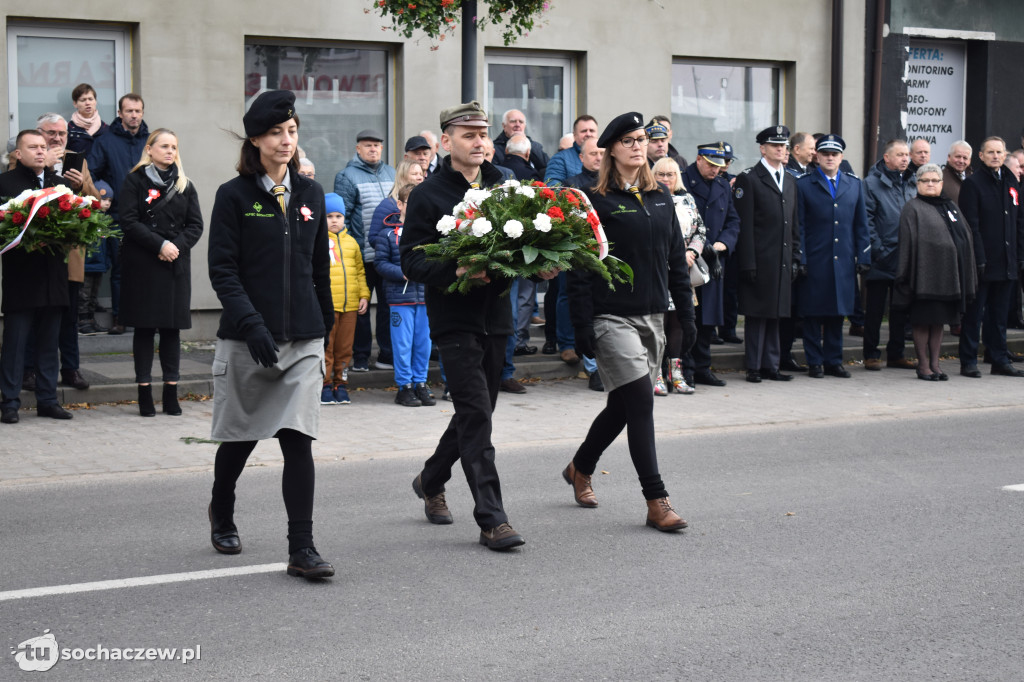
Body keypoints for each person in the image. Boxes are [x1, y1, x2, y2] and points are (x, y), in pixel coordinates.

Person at [401, 100, 555, 550]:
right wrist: (457, 270)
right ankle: (492, 518)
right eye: (468, 135)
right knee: (475, 415)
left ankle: (430, 479)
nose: (480, 142)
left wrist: (539, 266)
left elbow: (521, 245)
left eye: (483, 134)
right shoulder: (428, 194)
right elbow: (411, 258)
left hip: (497, 317)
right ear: (446, 141)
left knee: (478, 412)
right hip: (454, 318)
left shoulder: (505, 185)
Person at [206, 90, 336, 579]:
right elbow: (223, 271)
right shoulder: (233, 195)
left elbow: (318, 267)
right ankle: (222, 507)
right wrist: (252, 325)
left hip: (302, 339)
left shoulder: (311, 193)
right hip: (247, 338)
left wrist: (322, 328)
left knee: (297, 439)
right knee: (240, 438)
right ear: (256, 139)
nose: (287, 140)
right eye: (277, 132)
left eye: (293, 131)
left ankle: (301, 548)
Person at [564, 112, 696, 531]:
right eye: (629, 140)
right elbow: (581, 268)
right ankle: (657, 500)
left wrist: (687, 316)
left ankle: (580, 467)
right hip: (610, 318)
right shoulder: (594, 200)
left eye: (642, 139)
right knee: (641, 400)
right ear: (611, 150)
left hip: (654, 315)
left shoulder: (661, 198)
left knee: (623, 405)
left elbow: (677, 260)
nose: (639, 146)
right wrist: (582, 324)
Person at [118, 129, 204, 416]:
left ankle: (171, 394)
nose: (170, 151)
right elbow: (128, 221)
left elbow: (195, 225)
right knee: (144, 330)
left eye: (174, 147)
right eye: (164, 146)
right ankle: (144, 393)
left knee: (171, 331)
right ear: (150, 149)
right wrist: (160, 244)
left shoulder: (184, 184)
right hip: (144, 263)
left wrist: (174, 247)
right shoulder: (134, 180)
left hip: (174, 265)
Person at [0, 130, 74, 423]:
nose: (41, 152)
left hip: (53, 276)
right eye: (33, 147)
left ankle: (48, 399)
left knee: (48, 342)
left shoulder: (61, 185)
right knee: (16, 343)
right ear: (18, 154)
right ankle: (9, 402)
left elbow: (73, 226)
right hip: (21, 276)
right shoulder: (4, 184)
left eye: (44, 147)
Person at [892, 164, 976, 380]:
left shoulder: (949, 205)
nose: (930, 184)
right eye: (925, 180)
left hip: (947, 277)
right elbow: (907, 243)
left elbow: (964, 234)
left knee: (938, 322)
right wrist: (905, 276)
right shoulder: (913, 207)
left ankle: (936, 364)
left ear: (941, 183)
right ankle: (923, 366)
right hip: (923, 277)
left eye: (935, 180)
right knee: (923, 321)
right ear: (918, 184)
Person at [796, 134, 870, 378]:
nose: (829, 158)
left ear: (841, 158)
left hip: (843, 259)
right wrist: (802, 258)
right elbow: (800, 226)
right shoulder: (804, 184)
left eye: (834, 154)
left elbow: (861, 225)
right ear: (817, 156)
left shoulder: (854, 184)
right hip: (816, 259)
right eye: (825, 153)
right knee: (813, 313)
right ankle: (815, 362)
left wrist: (864, 256)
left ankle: (834, 361)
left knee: (838, 313)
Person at [733, 125, 801, 383]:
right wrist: (747, 263)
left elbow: (794, 222)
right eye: (775, 146)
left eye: (783, 146)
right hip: (760, 259)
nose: (781, 150)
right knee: (757, 314)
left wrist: (796, 256)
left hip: (782, 259)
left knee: (776, 314)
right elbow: (745, 225)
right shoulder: (749, 178)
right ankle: (753, 366)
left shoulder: (791, 179)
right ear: (763, 148)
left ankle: (771, 365)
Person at [957, 136, 1024, 378]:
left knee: (999, 315)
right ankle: (968, 361)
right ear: (981, 156)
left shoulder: (1011, 182)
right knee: (975, 315)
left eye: (999, 152)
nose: (995, 156)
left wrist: (1020, 256)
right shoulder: (973, 184)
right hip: (983, 262)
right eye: (990, 152)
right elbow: (970, 226)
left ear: (1005, 154)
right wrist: (979, 258)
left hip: (1007, 261)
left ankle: (999, 360)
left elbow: (1019, 222)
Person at [334, 128, 396, 371]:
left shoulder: (392, 173)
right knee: (359, 307)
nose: (373, 149)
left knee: (387, 306)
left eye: (377, 145)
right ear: (358, 149)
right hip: (360, 254)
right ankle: (360, 357)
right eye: (368, 145)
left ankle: (386, 355)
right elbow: (343, 218)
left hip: (387, 255)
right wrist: (350, 250)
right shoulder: (346, 176)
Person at [88, 93, 150, 335]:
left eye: (137, 111)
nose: (134, 115)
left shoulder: (151, 140)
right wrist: (104, 191)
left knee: (148, 269)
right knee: (120, 269)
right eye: (129, 111)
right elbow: (91, 173)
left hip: (149, 218)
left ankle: (148, 317)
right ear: (120, 113)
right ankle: (119, 318)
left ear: (142, 112)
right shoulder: (105, 141)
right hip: (117, 218)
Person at [680, 143, 741, 385]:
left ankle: (703, 367)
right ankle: (685, 368)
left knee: (708, 318)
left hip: (713, 260)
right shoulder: (683, 180)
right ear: (699, 159)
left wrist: (724, 244)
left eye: (720, 166)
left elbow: (733, 221)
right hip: (689, 258)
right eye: (712, 165)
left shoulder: (723, 185)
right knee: (688, 317)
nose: (716, 170)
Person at [652, 155, 708, 395]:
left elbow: (700, 230)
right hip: (657, 271)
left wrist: (692, 253)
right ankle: (656, 375)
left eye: (670, 174)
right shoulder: (649, 199)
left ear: (678, 177)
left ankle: (676, 373)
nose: (666, 179)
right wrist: (671, 257)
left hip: (683, 272)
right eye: (661, 174)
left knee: (678, 324)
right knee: (658, 324)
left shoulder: (687, 199)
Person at [862, 139, 917, 371]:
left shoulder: (912, 181)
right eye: (900, 155)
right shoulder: (872, 183)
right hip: (881, 257)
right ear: (887, 158)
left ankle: (896, 354)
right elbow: (867, 220)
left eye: (907, 155)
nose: (905, 158)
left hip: (905, 258)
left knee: (900, 310)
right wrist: (879, 250)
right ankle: (871, 354)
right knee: (875, 310)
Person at [376, 183, 434, 407]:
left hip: (424, 298)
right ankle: (404, 387)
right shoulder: (388, 234)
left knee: (424, 344)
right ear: (400, 204)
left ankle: (421, 383)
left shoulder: (428, 233)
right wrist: (404, 272)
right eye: (411, 201)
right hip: (400, 299)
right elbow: (380, 263)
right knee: (402, 345)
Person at [321, 192, 368, 405]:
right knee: (327, 348)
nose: (334, 220)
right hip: (328, 306)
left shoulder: (352, 243)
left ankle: (341, 384)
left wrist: (364, 295)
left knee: (345, 348)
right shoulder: (319, 242)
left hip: (350, 306)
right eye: (329, 216)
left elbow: (360, 271)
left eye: (338, 216)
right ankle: (324, 385)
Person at [80, 180, 114, 334]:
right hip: (87, 265)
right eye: (103, 200)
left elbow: (105, 245)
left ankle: (91, 320)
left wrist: (106, 262)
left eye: (109, 201)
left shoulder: (105, 219)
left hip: (99, 265)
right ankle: (82, 321)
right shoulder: (87, 217)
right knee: (84, 294)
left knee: (93, 294)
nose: (107, 204)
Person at [491, 108, 548, 175]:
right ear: (504, 126)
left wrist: (526, 142)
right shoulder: (494, 148)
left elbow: (547, 166)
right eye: (513, 121)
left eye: (521, 122)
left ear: (525, 126)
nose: (517, 125)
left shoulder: (535, 146)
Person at [66, 83, 109, 156]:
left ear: (95, 102)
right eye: (83, 100)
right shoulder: (68, 129)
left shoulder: (107, 130)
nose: (88, 103)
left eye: (90, 99)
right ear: (75, 104)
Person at [942, 140, 972, 205]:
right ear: (949, 157)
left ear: (969, 161)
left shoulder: (974, 179)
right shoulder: (939, 178)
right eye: (958, 156)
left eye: (965, 158)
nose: (961, 161)